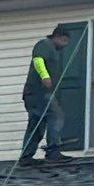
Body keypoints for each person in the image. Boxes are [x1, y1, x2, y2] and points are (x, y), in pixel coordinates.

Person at [20, 25, 71, 162]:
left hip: (32, 94)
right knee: (56, 116)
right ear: (57, 37)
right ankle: (53, 151)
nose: (65, 45)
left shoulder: (50, 48)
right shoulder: (45, 45)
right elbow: (38, 60)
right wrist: (44, 76)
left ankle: (26, 156)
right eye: (64, 41)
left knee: (37, 124)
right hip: (39, 93)